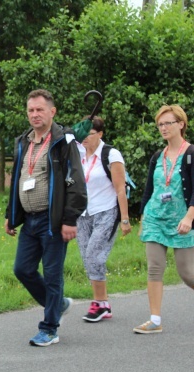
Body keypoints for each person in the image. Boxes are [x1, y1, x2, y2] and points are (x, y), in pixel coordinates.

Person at [4, 89, 87, 347]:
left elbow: (76, 184)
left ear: (52, 112)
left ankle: (49, 328)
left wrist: (70, 219)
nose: (35, 114)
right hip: (29, 221)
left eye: (40, 109)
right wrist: (11, 214)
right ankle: (58, 304)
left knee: (52, 276)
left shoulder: (64, 143)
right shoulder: (23, 142)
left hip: (53, 221)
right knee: (22, 269)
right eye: (30, 110)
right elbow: (17, 179)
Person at [134, 104, 194, 334]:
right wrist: (143, 218)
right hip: (155, 218)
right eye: (160, 124)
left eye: (168, 123)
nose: (163, 128)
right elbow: (150, 188)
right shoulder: (157, 156)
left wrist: (190, 217)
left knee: (187, 273)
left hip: (182, 221)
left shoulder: (191, 154)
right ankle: (155, 320)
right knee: (154, 268)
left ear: (181, 124)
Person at [77, 116, 132, 322]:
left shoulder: (111, 154)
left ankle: (99, 304)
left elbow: (120, 188)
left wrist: (124, 219)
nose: (85, 138)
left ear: (100, 134)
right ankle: (103, 303)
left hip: (106, 211)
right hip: (82, 214)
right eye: (83, 133)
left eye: (89, 134)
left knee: (94, 255)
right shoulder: (79, 152)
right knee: (87, 259)